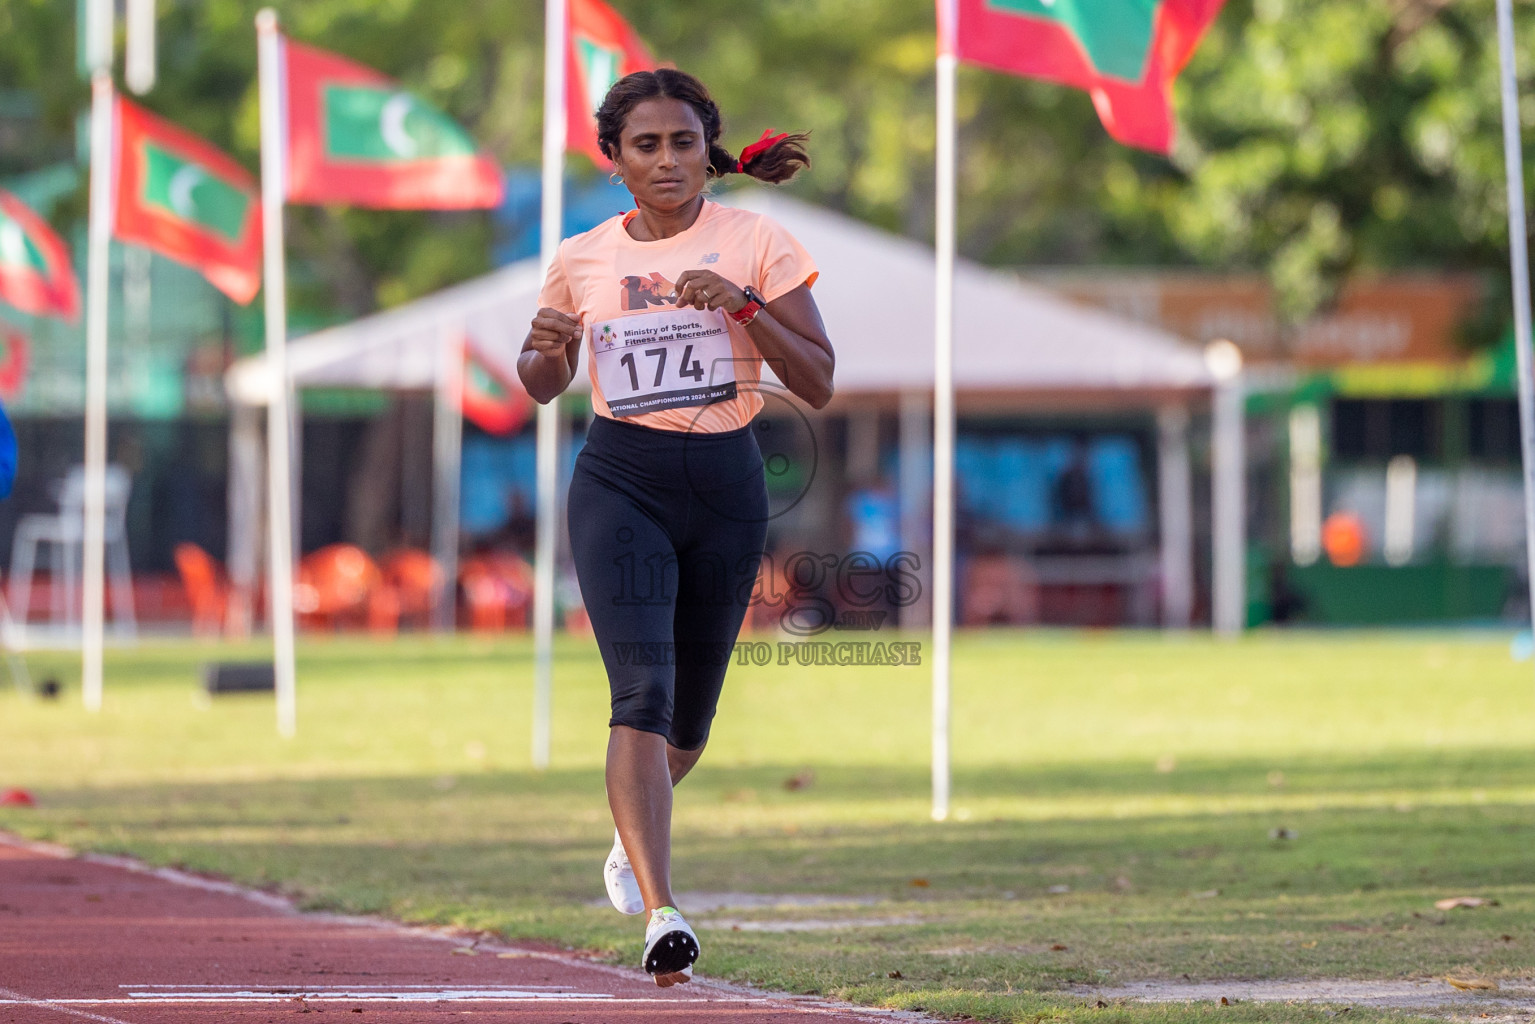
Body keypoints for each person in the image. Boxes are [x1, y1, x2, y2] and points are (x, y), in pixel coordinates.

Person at [516, 69, 834, 987]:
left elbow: (816, 380)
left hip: (726, 487)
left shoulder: (757, 240)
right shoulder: (580, 257)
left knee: (689, 719)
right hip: (621, 481)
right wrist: (545, 351)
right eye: (645, 145)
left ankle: (629, 839)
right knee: (641, 695)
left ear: (708, 152)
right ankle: (663, 911)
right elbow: (541, 382)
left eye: (682, 142)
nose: (665, 160)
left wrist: (738, 306)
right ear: (612, 159)